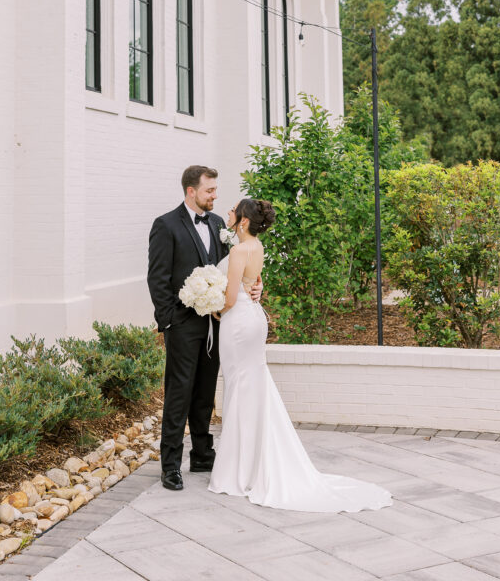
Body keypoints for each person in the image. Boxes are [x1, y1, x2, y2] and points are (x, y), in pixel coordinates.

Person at [208, 197, 392, 513]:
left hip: (237, 322)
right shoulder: (258, 248)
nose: (229, 212)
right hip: (254, 318)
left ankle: (239, 470)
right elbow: (254, 283)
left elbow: (229, 296)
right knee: (251, 387)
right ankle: (250, 462)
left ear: (244, 222)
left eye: (234, 211)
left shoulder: (239, 251)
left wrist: (210, 308)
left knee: (238, 388)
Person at [147, 166, 262, 491]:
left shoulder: (217, 224)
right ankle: (171, 465)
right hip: (183, 324)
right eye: (209, 190)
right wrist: (168, 320)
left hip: (218, 324)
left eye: (215, 189)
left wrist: (255, 286)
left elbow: (235, 267)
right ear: (191, 191)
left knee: (205, 391)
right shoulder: (166, 225)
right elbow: (158, 277)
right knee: (179, 393)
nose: (214, 195)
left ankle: (201, 453)